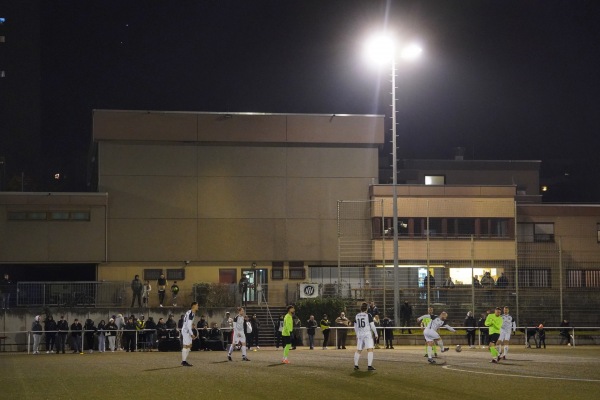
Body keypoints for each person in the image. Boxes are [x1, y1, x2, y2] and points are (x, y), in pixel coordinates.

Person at [353, 302, 378, 371]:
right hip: (367, 334)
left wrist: (357, 334)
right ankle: (369, 366)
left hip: (360, 334)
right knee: (370, 349)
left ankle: (356, 365)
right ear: (366, 308)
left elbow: (355, 326)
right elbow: (372, 326)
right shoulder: (368, 315)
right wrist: (376, 333)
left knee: (358, 350)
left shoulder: (357, 315)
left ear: (361, 308)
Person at [180, 302, 199, 366]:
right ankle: (183, 361)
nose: (198, 306)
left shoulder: (189, 312)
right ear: (193, 306)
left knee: (189, 346)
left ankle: (184, 361)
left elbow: (188, 322)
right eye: (197, 305)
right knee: (186, 346)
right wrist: (192, 333)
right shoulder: (191, 313)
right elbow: (188, 325)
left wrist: (192, 326)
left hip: (187, 330)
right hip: (186, 331)